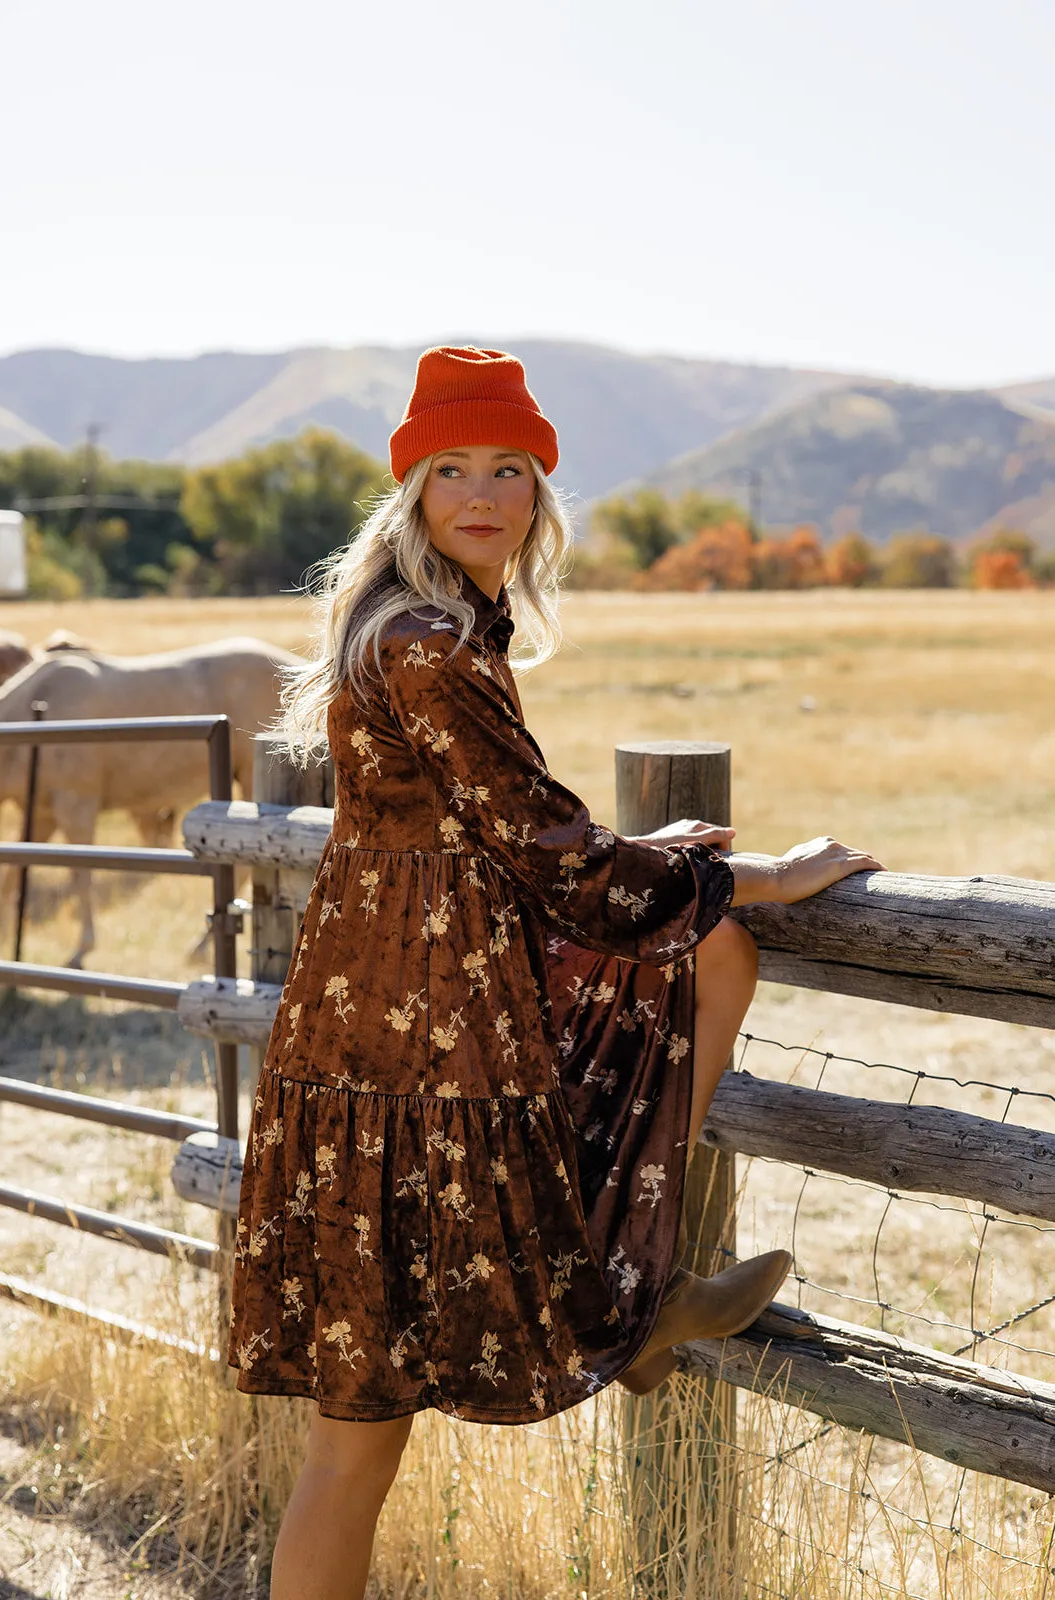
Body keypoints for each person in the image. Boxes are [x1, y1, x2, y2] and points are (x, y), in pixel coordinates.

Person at [227, 346, 883, 1599]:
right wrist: (764, 873)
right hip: (419, 1045)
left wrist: (657, 864)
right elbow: (559, 861)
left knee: (351, 1440)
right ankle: (625, 1301)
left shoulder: (427, 626)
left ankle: (627, 1293)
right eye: (452, 469)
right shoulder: (426, 642)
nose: (482, 493)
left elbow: (506, 831)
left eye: (510, 469)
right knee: (354, 1448)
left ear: (539, 493)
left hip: (392, 1019)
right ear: (412, 490)